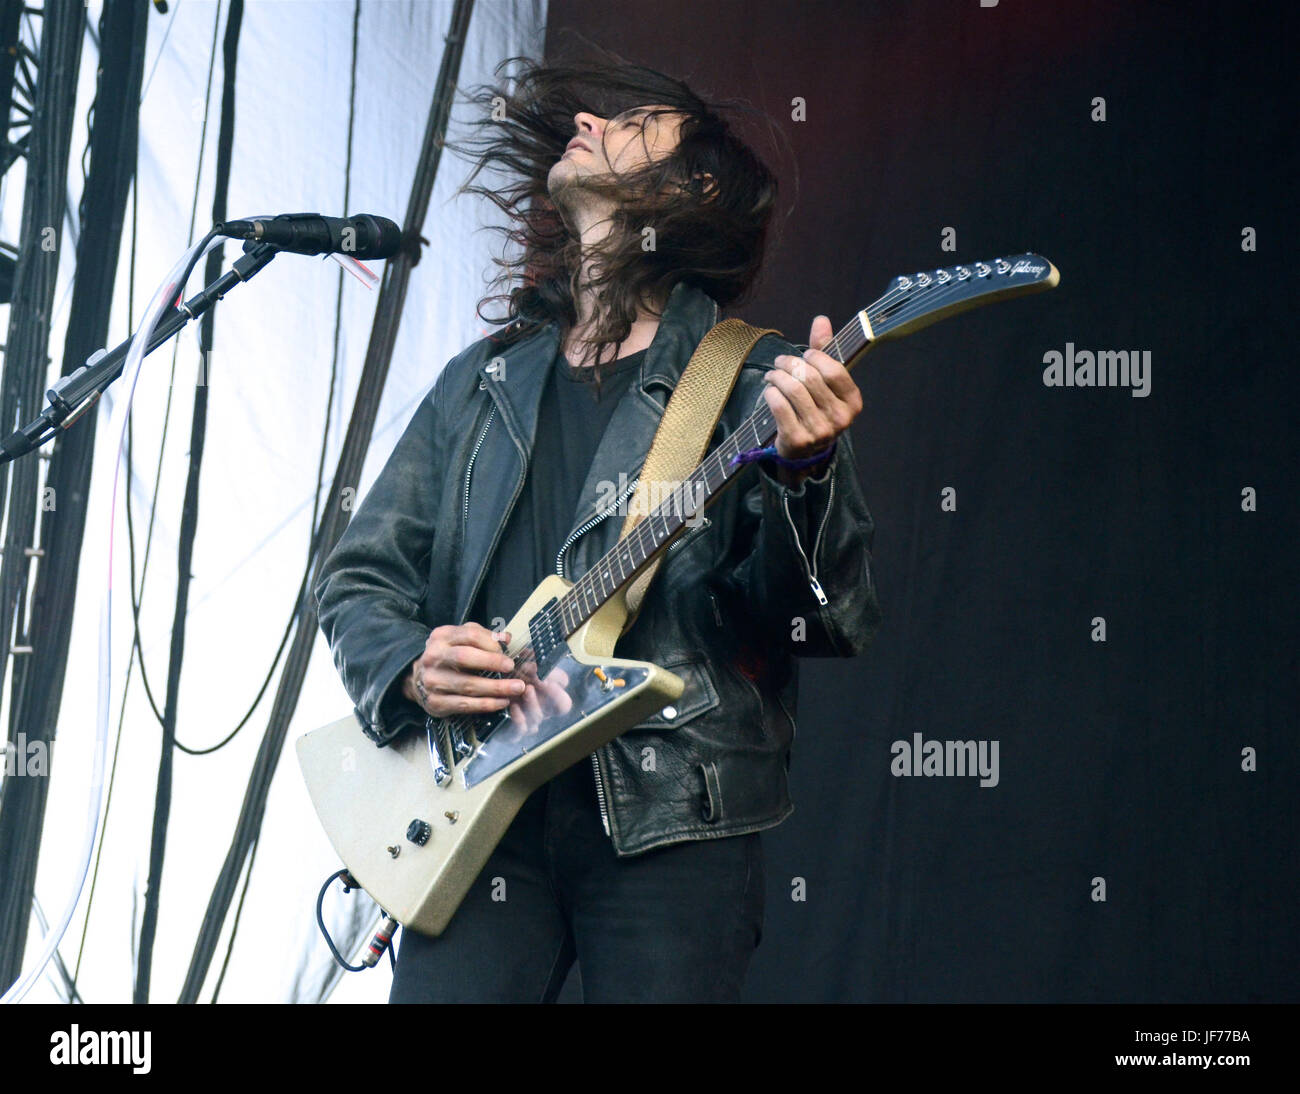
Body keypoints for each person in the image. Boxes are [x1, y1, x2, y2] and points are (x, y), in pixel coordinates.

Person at [313, 50, 882, 1003]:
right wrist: (413, 665)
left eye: (632, 125)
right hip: (473, 810)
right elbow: (357, 580)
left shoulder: (751, 383)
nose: (587, 124)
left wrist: (808, 473)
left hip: (670, 815)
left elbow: (820, 617)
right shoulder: (483, 380)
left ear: (694, 187)